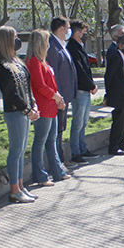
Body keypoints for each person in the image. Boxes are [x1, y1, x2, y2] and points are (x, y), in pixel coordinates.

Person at [0, 26, 40, 203]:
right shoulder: (2, 66)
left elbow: (27, 87)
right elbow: (11, 93)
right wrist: (27, 109)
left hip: (24, 111)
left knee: (21, 151)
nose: (17, 40)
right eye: (14, 37)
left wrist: (33, 105)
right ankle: (14, 189)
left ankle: (20, 186)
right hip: (14, 112)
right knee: (16, 151)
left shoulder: (17, 62)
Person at [26, 29, 69, 185]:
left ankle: (58, 172)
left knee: (51, 140)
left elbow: (51, 84)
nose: (49, 44)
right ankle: (40, 176)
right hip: (43, 107)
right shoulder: (33, 61)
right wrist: (56, 97)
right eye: (46, 41)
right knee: (40, 141)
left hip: (51, 106)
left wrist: (58, 98)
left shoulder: (43, 61)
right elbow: (40, 86)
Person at [45, 16, 77, 167]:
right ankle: (59, 162)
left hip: (64, 96)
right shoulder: (52, 47)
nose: (69, 31)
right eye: (68, 28)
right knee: (56, 131)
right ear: (61, 28)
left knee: (60, 129)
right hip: (58, 98)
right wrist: (59, 98)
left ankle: (60, 160)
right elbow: (54, 76)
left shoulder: (62, 45)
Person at [65, 20, 99, 161]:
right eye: (84, 32)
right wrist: (91, 85)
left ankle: (83, 148)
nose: (85, 35)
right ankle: (76, 152)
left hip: (85, 89)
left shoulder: (79, 47)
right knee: (78, 123)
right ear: (77, 32)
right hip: (80, 89)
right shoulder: (72, 48)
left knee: (83, 122)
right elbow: (79, 70)